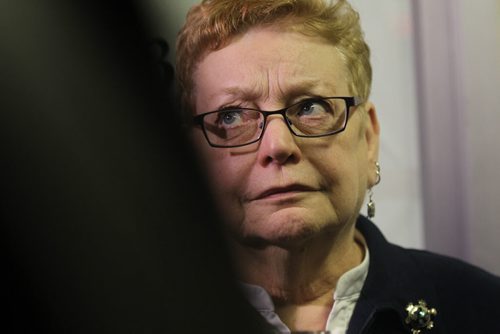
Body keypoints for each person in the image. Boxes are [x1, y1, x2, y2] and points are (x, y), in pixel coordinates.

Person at [176, 0, 500, 333]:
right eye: (232, 116)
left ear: (369, 138)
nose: (278, 145)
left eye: (310, 107)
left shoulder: (484, 310)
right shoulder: (136, 314)